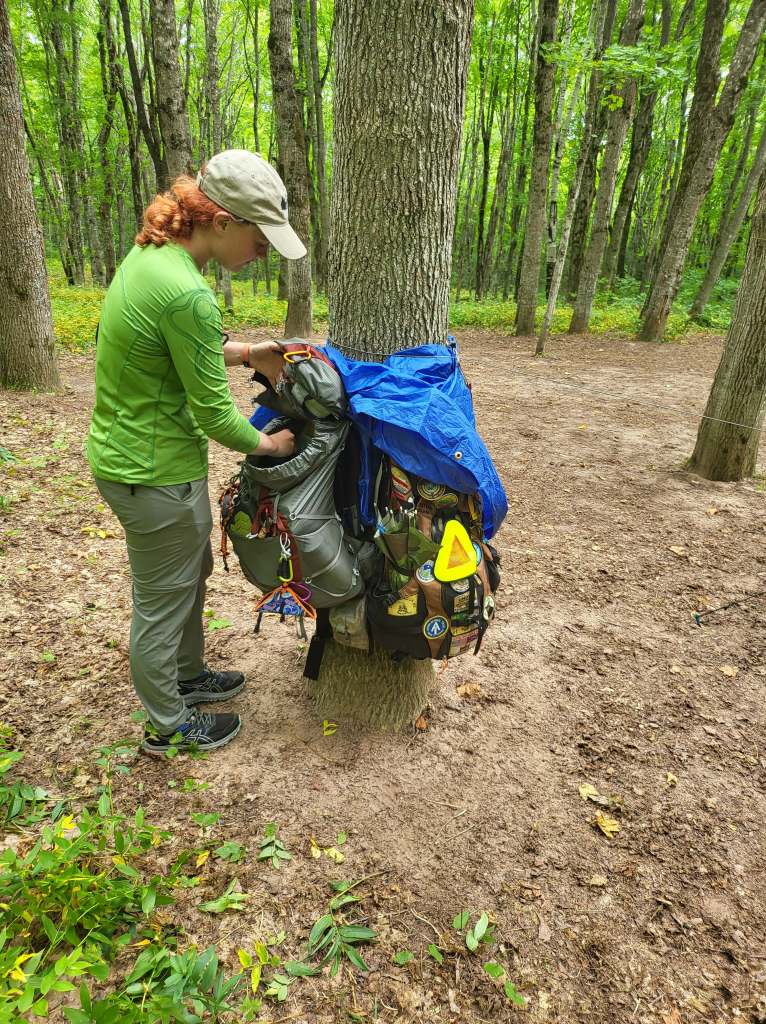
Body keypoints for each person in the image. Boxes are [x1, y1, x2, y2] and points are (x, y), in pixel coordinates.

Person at [86, 151, 303, 755]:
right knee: (162, 601)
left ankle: (186, 676)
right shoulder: (187, 292)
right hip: (152, 471)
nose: (262, 253)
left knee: (190, 574)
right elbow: (214, 415)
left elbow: (172, 345)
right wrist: (272, 443)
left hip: (141, 462)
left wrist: (249, 351)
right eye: (260, 240)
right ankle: (168, 724)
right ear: (223, 222)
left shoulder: (152, 258)